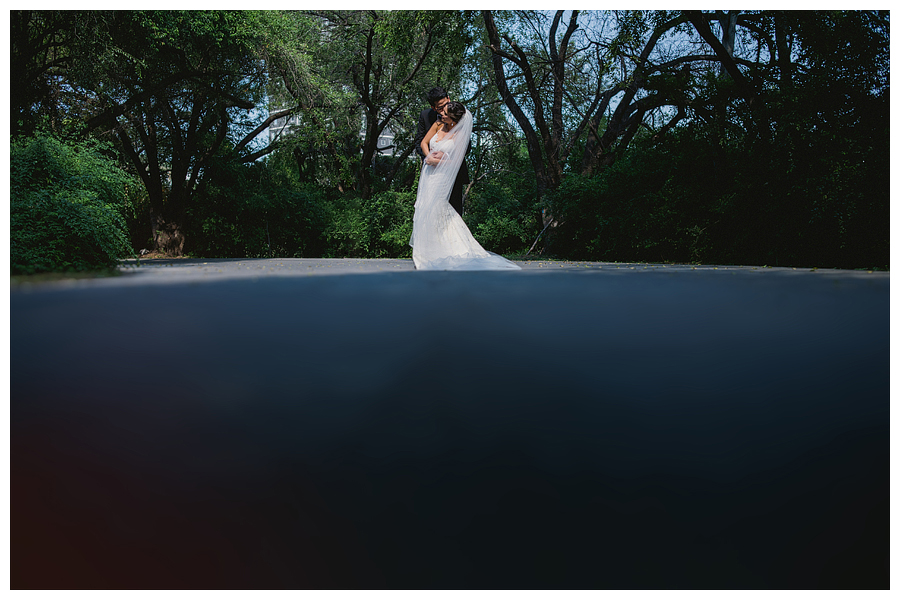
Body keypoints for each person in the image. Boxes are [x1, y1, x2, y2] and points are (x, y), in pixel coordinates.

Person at [409, 101, 521, 271]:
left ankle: (444, 249)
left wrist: (437, 161)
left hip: (441, 176)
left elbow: (456, 161)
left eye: (445, 113)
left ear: (453, 119)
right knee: (424, 206)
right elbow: (424, 142)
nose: (441, 114)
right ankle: (425, 250)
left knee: (437, 208)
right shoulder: (438, 124)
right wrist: (428, 157)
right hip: (428, 173)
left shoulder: (459, 134)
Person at [414, 87, 468, 215]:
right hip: (431, 173)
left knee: (453, 213)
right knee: (430, 211)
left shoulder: (459, 115)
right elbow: (420, 142)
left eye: (446, 104)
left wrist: (445, 156)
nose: (444, 110)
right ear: (433, 108)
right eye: (440, 108)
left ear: (448, 98)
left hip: (453, 174)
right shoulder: (426, 117)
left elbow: (467, 146)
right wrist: (430, 158)